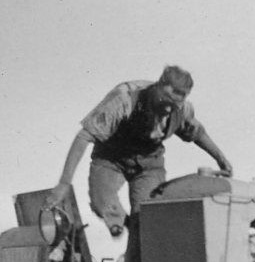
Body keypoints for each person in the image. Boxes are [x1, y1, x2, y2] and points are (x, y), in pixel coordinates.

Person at [44, 65, 233, 236]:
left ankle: (135, 261)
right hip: (111, 158)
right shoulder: (124, 99)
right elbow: (84, 137)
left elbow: (197, 133)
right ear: (159, 85)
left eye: (173, 106)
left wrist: (220, 158)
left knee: (148, 217)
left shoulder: (182, 109)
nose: (167, 109)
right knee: (101, 202)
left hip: (149, 163)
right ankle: (121, 222)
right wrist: (63, 183)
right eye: (164, 102)